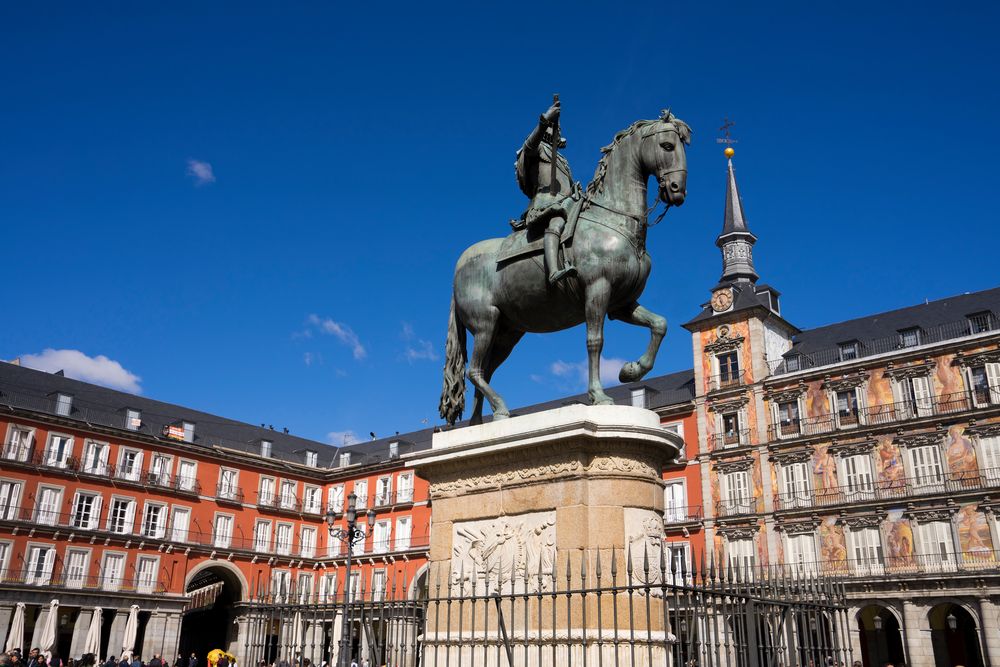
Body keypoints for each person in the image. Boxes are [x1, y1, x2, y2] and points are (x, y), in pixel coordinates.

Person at [512, 97, 579, 284]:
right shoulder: (538, 148)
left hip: (566, 202)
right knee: (557, 221)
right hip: (545, 205)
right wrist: (545, 120)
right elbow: (529, 146)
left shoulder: (563, 160)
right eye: (553, 128)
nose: (556, 131)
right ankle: (553, 272)